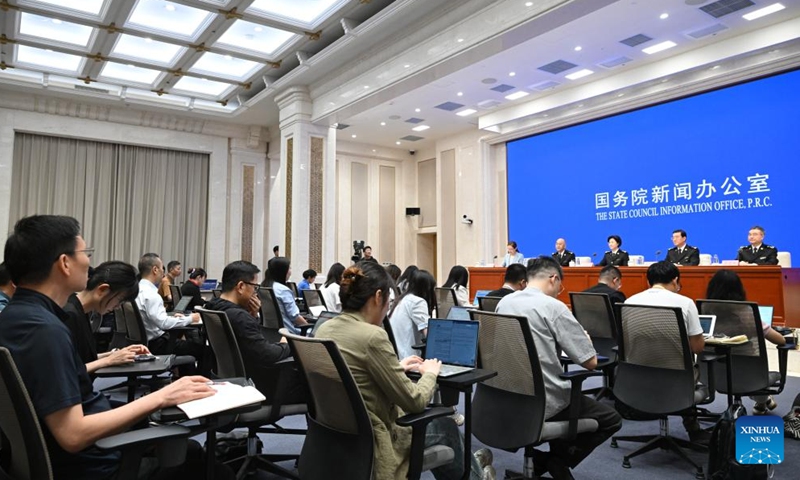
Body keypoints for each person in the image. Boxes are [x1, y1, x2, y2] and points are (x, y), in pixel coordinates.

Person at [0, 215, 215, 479]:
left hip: (64, 457)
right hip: (93, 465)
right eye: (85, 252)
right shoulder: (45, 330)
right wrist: (162, 396)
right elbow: (72, 434)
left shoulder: (14, 317)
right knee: (194, 455)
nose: (89, 261)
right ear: (65, 263)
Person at [315, 261, 494, 480]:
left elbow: (352, 376)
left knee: (448, 434)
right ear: (378, 296)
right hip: (379, 439)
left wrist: (395, 368)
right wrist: (430, 373)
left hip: (341, 436)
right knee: (446, 426)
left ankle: (474, 463)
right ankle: (478, 476)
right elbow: (415, 401)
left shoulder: (325, 328)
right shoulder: (372, 337)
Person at [496, 257, 622, 478]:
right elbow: (590, 362)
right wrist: (585, 340)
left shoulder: (505, 302)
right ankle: (555, 460)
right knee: (611, 419)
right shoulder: (554, 307)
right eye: (559, 287)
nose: (559, 292)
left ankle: (546, 460)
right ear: (553, 279)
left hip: (508, 393)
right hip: (545, 399)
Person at [625, 261, 708, 443]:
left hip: (637, 378)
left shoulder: (629, 301)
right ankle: (693, 429)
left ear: (648, 282)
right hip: (676, 380)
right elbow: (697, 347)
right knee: (694, 369)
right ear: (675, 280)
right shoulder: (685, 303)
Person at [205, 261, 308, 404]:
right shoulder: (239, 317)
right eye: (254, 287)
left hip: (233, 381)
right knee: (315, 386)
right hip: (259, 387)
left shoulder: (213, 307)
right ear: (241, 286)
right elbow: (267, 355)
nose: (256, 292)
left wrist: (252, 316)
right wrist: (287, 344)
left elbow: (247, 341)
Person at [705, 269, 787, 414]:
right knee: (755, 377)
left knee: (745, 375)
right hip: (751, 376)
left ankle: (763, 400)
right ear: (739, 289)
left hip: (713, 376)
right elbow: (779, 340)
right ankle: (762, 399)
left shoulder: (703, 311)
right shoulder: (748, 314)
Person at [63, 261, 149, 375]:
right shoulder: (69, 315)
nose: (118, 307)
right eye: (119, 300)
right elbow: (67, 371)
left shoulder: (78, 309)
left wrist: (116, 355)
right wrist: (108, 361)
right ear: (102, 290)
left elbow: (82, 359)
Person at [135, 253, 203, 360]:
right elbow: (163, 323)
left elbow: (153, 317)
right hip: (158, 345)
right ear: (155, 270)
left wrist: (171, 317)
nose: (163, 271)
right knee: (204, 351)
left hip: (144, 343)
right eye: (162, 268)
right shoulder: (151, 295)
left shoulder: (137, 290)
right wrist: (190, 318)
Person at [390, 269, 436, 359]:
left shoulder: (401, 299)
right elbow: (429, 334)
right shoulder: (417, 302)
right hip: (410, 359)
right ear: (427, 289)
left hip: (397, 356)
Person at [264, 256, 309, 335]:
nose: (290, 271)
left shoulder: (265, 286)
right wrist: (308, 325)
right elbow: (295, 317)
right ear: (283, 271)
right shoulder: (283, 290)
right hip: (289, 334)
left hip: (271, 333)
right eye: (289, 268)